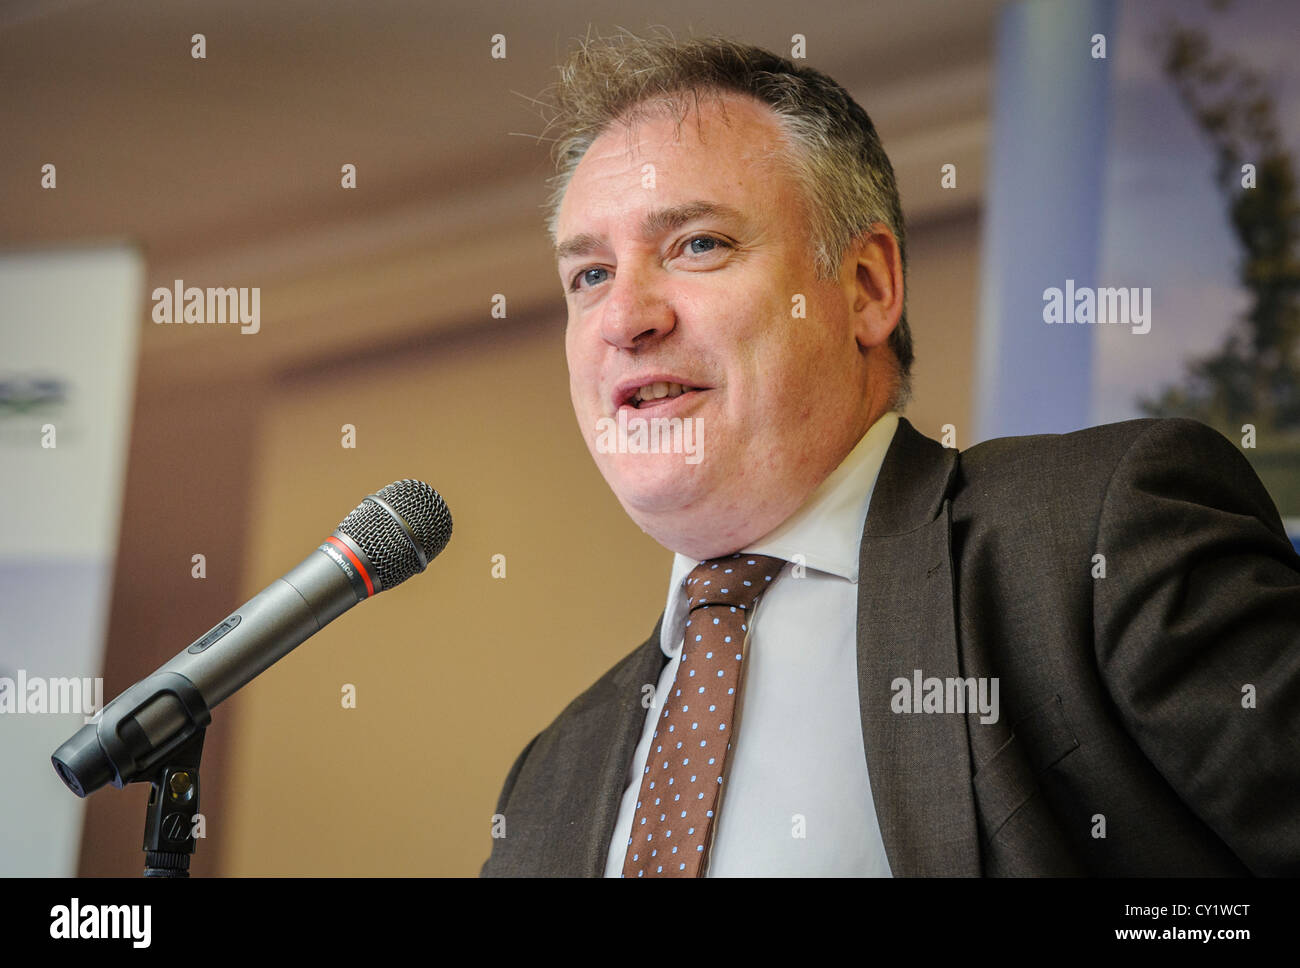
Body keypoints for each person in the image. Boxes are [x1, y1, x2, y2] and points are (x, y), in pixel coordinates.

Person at [481, 33, 1300, 877]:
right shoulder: (550, 781)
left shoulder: (1095, 543)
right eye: (590, 275)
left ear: (867, 287)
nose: (625, 318)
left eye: (698, 244)